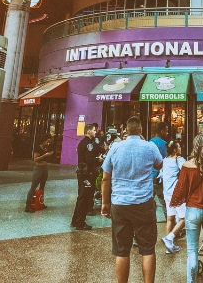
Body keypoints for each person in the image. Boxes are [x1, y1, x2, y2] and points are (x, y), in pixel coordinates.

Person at [102, 115, 163, 283]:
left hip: (120, 204)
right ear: (141, 130)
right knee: (148, 249)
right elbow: (160, 164)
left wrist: (105, 203)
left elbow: (106, 177)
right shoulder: (149, 147)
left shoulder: (115, 148)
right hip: (143, 203)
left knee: (121, 250)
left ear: (125, 131)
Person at [172, 133, 203, 283]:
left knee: (192, 250)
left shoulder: (186, 166)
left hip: (192, 210)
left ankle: (190, 281)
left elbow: (181, 189)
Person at [73, 123, 102, 230]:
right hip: (86, 175)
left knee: (81, 198)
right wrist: (98, 160)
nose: (95, 132)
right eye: (94, 130)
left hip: (83, 174)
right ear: (88, 131)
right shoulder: (87, 144)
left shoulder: (86, 143)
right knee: (85, 198)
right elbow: (89, 160)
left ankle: (75, 221)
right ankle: (80, 222)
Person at [162, 140, 186, 253]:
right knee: (184, 219)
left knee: (170, 218)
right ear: (175, 150)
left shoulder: (165, 160)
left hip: (166, 193)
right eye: (179, 147)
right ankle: (169, 237)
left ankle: (168, 246)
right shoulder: (179, 159)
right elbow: (187, 171)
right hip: (176, 193)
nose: (181, 148)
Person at [25, 136, 55, 212]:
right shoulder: (38, 148)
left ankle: (40, 202)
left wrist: (50, 154)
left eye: (49, 141)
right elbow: (35, 159)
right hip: (38, 169)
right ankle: (27, 206)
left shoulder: (47, 148)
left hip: (45, 168)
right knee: (33, 187)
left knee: (42, 186)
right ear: (43, 140)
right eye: (47, 141)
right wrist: (45, 155)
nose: (48, 143)